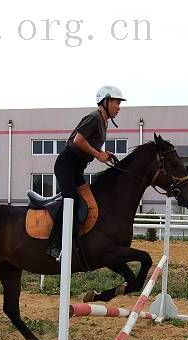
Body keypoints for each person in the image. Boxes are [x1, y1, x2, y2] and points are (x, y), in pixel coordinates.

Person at [46, 86, 126, 259]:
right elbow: (78, 140)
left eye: (119, 103)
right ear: (105, 101)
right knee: (71, 201)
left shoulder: (103, 121)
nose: (119, 107)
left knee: (88, 201)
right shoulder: (94, 118)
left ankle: (76, 239)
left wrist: (105, 153)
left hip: (76, 169)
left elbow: (90, 144)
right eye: (116, 102)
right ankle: (55, 245)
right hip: (66, 166)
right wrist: (98, 155)